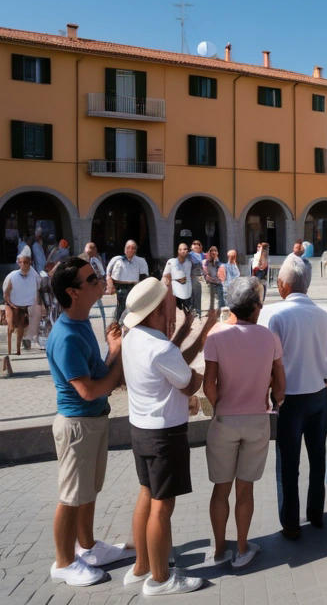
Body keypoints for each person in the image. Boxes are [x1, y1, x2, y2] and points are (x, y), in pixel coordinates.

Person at [120, 277, 218, 594]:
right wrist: (210, 369)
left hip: (141, 429)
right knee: (162, 507)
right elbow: (188, 382)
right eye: (169, 305)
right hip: (164, 434)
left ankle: (142, 567)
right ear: (156, 312)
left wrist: (193, 332)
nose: (173, 309)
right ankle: (160, 578)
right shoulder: (160, 348)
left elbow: (172, 360)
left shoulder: (133, 336)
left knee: (147, 495)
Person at [46, 259, 130, 586]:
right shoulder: (66, 335)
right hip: (77, 425)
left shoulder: (81, 323)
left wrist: (113, 351)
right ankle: (64, 562)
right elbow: (89, 389)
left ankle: (89, 547)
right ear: (73, 292)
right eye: (91, 279)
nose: (99, 282)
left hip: (92, 421)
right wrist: (119, 367)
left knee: (88, 490)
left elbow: (98, 375)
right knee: (70, 497)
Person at [203, 277, 286, 568]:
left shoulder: (215, 335)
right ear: (254, 307)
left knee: (220, 489)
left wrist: (219, 406)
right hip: (256, 419)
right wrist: (275, 399)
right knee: (245, 489)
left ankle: (217, 549)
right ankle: (241, 548)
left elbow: (209, 384)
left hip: (226, 417)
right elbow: (280, 384)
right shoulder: (268, 337)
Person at [257, 256, 327, 539]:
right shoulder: (324, 316)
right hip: (317, 394)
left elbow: (270, 361)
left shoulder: (277, 316)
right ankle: (316, 514)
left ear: (282, 284)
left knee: (288, 464)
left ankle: (290, 522)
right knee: (318, 458)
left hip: (288, 399)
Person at [4, 248, 42, 354]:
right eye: (22, 262)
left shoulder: (34, 274)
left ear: (30, 263)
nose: (24, 265)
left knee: (27, 323)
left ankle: (26, 340)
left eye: (27, 262)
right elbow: (7, 291)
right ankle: (15, 346)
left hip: (28, 305)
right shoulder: (13, 276)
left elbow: (39, 287)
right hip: (15, 305)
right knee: (14, 325)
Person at [106, 240, 149, 323]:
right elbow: (108, 274)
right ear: (124, 249)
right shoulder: (116, 259)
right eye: (128, 247)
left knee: (131, 310)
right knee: (119, 309)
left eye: (133, 248)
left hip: (132, 287)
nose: (130, 249)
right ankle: (116, 327)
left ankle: (126, 327)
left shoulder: (141, 261)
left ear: (136, 250)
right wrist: (110, 285)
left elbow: (144, 277)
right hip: (117, 287)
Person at [81, 243, 108, 330]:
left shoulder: (96, 259)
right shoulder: (82, 259)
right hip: (86, 287)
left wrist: (102, 282)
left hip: (95, 286)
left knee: (100, 308)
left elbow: (102, 273)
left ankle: (103, 327)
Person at [162, 243, 193, 315]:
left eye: (185, 249)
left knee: (188, 315)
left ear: (187, 251)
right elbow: (165, 276)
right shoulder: (171, 261)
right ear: (178, 251)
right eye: (180, 249)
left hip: (187, 294)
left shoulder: (189, 263)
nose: (183, 251)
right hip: (174, 294)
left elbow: (190, 276)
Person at [202, 247, 226, 316]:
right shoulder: (205, 262)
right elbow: (206, 273)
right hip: (210, 283)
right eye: (212, 252)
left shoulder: (219, 263)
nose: (213, 253)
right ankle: (212, 312)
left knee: (220, 299)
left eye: (215, 251)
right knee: (211, 299)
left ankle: (221, 313)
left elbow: (221, 275)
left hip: (217, 283)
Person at [188, 241, 205, 316]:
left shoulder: (203, 255)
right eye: (194, 244)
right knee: (191, 294)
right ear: (191, 246)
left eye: (198, 244)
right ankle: (191, 310)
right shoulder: (188, 255)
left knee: (198, 293)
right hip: (191, 275)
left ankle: (198, 310)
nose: (196, 245)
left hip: (199, 276)